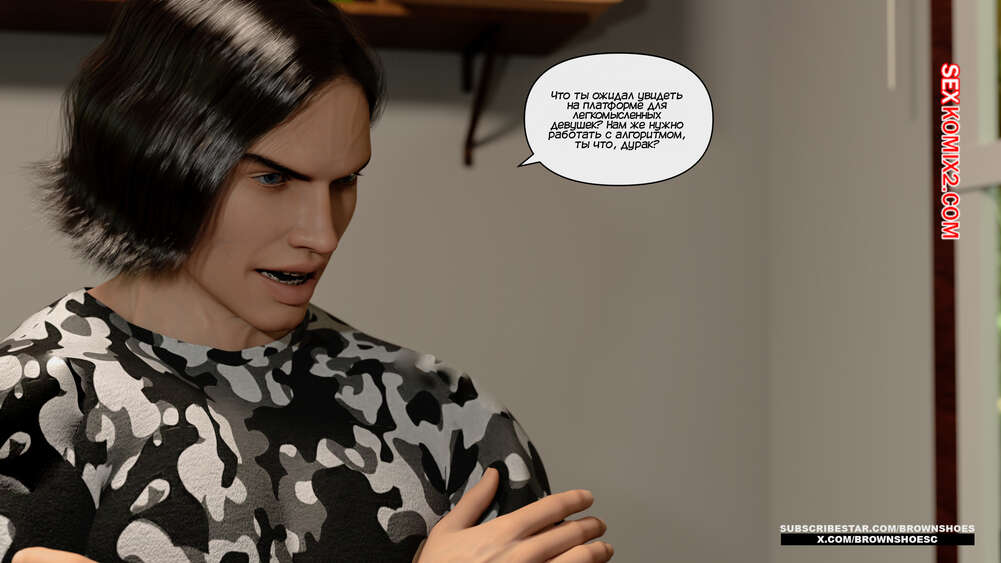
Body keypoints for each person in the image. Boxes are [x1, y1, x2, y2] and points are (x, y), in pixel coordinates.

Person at [0, 0, 613, 562]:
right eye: (273, 179)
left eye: (345, 182)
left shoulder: (446, 411)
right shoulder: (39, 402)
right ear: (156, 163)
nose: (322, 234)